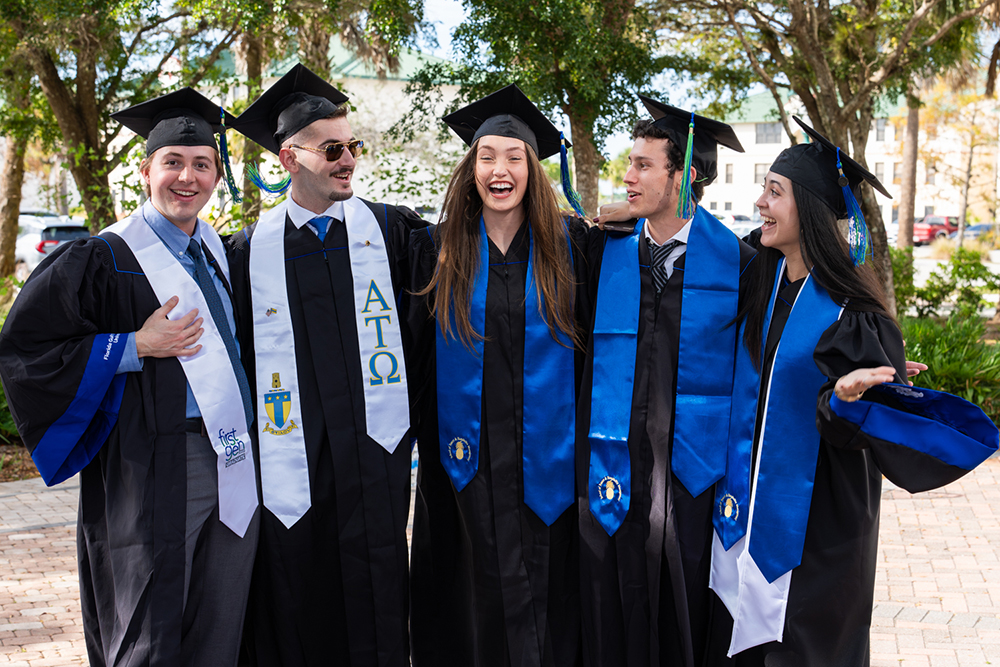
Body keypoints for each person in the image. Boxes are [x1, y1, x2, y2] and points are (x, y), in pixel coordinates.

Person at [706, 117, 999, 666]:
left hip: (818, 524)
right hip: (743, 511)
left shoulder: (855, 314)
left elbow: (861, 425)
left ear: (812, 212)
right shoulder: (761, 283)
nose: (760, 203)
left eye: (774, 192)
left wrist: (850, 399)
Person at [0, 88, 260, 667]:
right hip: (153, 469)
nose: (186, 178)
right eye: (173, 163)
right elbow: (27, 348)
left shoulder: (217, 254)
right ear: (146, 170)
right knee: (149, 626)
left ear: (217, 175)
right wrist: (135, 345)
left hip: (235, 459)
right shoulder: (104, 258)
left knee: (220, 622)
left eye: (201, 165)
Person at [227, 63, 428, 667]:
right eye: (332, 149)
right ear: (289, 159)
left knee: (379, 591)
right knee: (297, 592)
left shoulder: (392, 231)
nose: (348, 160)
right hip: (293, 466)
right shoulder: (245, 253)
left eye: (353, 146)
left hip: (375, 463)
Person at [406, 84, 588, 667]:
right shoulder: (434, 251)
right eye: (487, 157)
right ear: (471, 168)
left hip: (550, 472)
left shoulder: (574, 249)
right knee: (470, 597)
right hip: (465, 473)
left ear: (533, 170)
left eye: (514, 157)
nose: (500, 169)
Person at [576, 97, 756, 667]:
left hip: (693, 477)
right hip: (615, 464)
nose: (628, 176)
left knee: (685, 608)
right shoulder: (605, 251)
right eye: (629, 163)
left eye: (644, 165)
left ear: (685, 177)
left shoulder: (740, 264)